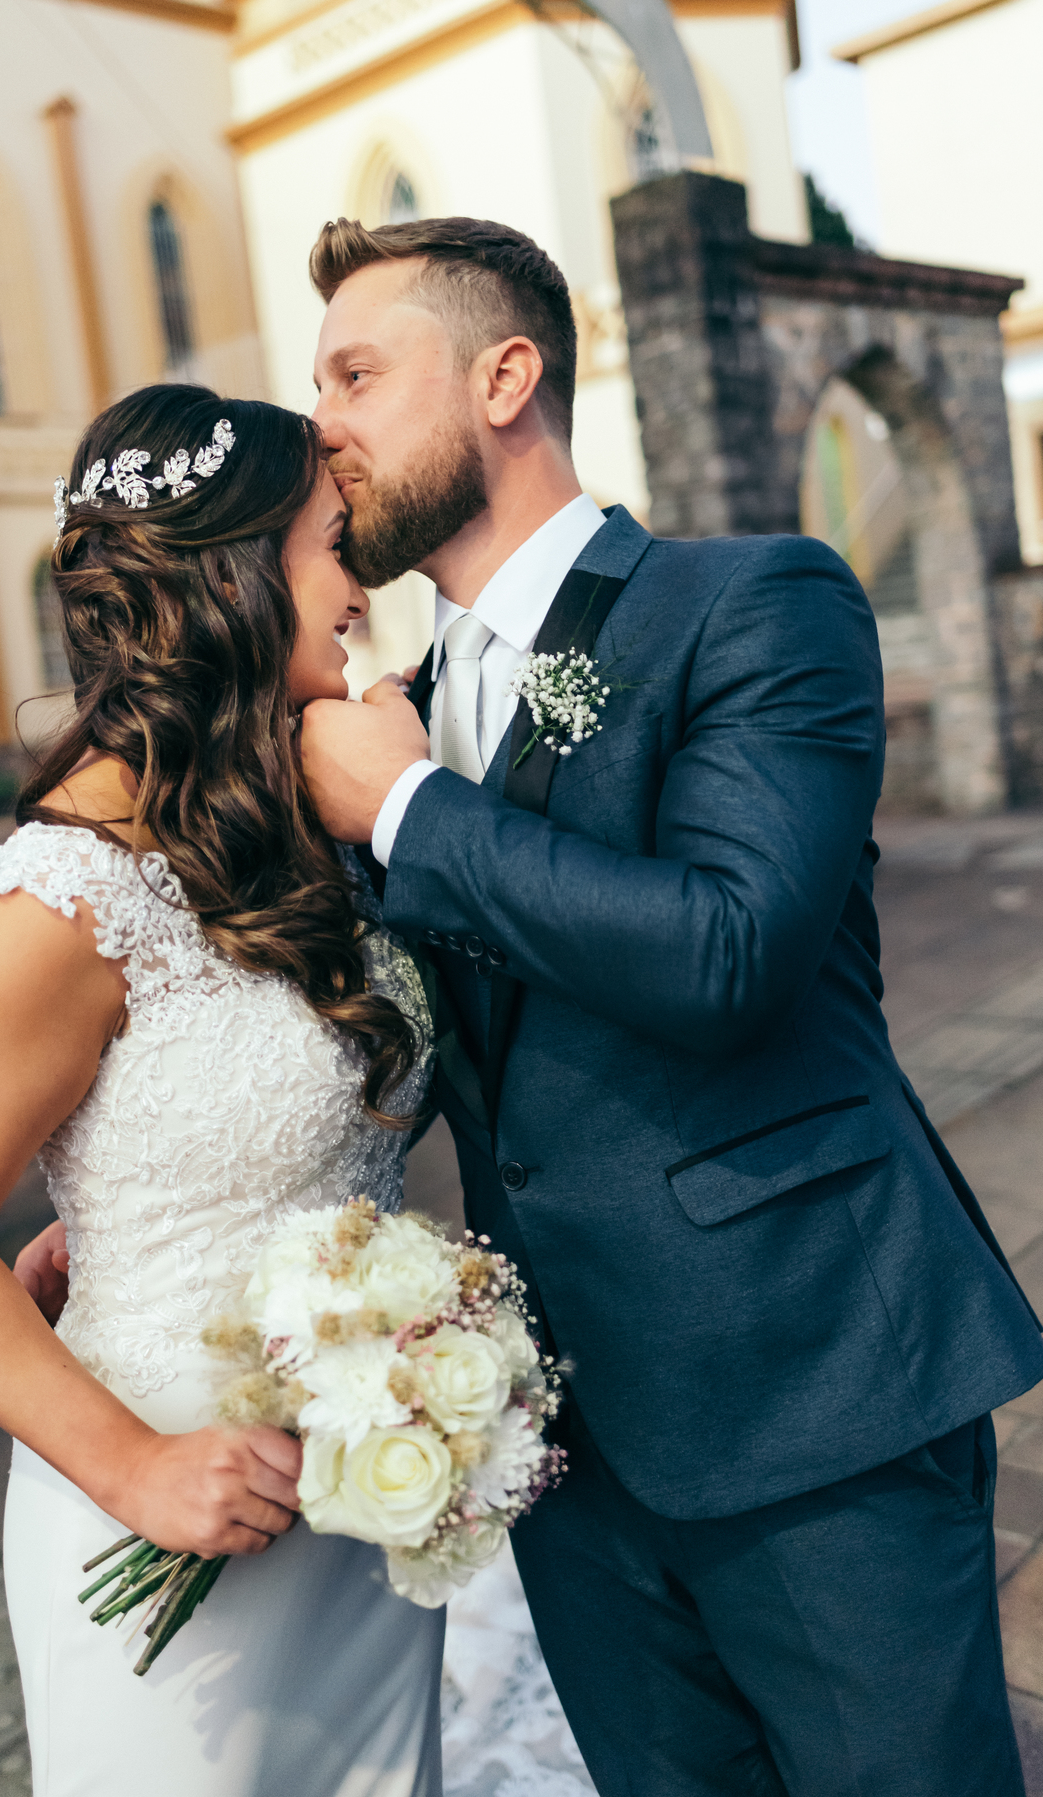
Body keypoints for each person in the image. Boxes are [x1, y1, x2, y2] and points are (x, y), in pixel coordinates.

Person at [287, 217, 1043, 1795]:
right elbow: (407, 1039)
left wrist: (418, 816)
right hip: (557, 1434)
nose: (326, 426)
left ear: (508, 375)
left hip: (807, 1389)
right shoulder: (399, 713)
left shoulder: (757, 601)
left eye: (358, 372)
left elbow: (728, 946)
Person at [0, 385, 443, 1797]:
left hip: (362, 1514)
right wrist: (134, 1468)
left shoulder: (307, 821)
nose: (361, 577)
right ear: (230, 577)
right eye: (330, 541)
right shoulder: (56, 905)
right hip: (170, 1524)